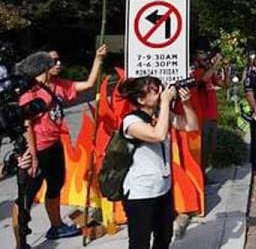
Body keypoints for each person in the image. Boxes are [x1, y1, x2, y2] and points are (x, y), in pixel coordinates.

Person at [12, 46, 106, 246]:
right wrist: (33, 155)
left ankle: (56, 226)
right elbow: (26, 125)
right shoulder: (30, 92)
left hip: (54, 146)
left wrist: (98, 59)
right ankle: (20, 242)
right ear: (42, 66)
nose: (59, 64)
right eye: (54, 61)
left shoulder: (58, 85)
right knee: (26, 196)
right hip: (36, 149)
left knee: (55, 186)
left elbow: (88, 84)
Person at [117, 76, 198, 249]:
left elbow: (191, 126)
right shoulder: (131, 121)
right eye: (155, 91)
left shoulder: (161, 115)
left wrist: (186, 103)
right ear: (140, 99)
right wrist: (165, 104)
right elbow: (157, 135)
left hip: (163, 189)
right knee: (140, 242)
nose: (161, 93)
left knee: (164, 237)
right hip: (140, 192)